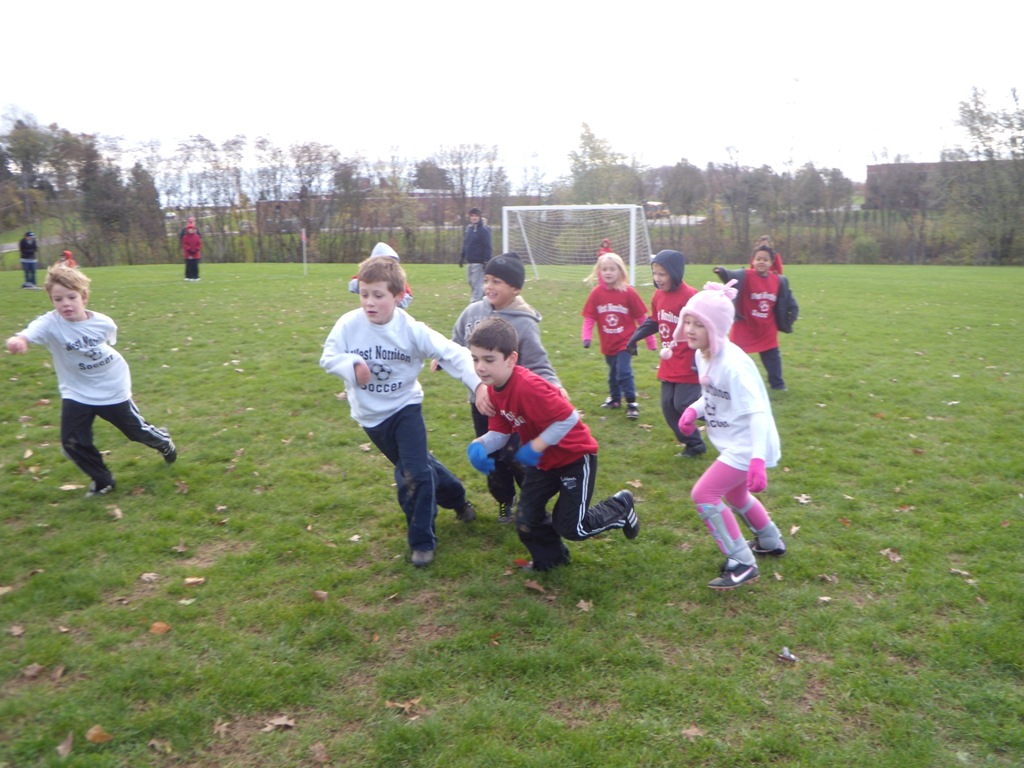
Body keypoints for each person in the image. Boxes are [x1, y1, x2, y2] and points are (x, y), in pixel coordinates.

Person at [320, 255, 486, 567]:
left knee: (414, 474)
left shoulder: (411, 330)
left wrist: (478, 385)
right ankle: (458, 498)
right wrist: (352, 365)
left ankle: (422, 540)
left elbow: (456, 354)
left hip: (405, 409)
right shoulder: (348, 324)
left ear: (398, 297)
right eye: (364, 294)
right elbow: (328, 357)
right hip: (370, 418)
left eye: (378, 295)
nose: (369, 302)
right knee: (421, 468)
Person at [466, 317, 639, 571]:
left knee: (572, 526)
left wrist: (537, 445)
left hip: (575, 459)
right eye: (475, 359)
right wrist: (479, 445)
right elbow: (500, 433)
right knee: (526, 516)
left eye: (488, 360)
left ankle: (620, 507)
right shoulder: (493, 390)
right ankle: (551, 560)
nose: (480, 367)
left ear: (511, 359)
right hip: (544, 464)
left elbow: (569, 417)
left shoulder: (529, 387)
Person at [5, 264, 177, 498]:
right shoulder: (50, 323)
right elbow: (32, 330)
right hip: (76, 391)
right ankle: (103, 480)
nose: (65, 303)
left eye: (71, 297)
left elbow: (108, 344)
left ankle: (163, 441)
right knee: (72, 442)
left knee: (136, 431)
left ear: (84, 297)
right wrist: (20, 339)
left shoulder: (103, 323)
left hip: (111, 385)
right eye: (58, 299)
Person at [671, 280, 785, 590]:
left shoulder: (735, 365)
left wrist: (758, 461)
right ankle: (770, 539)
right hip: (736, 441)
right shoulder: (704, 354)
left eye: (699, 324)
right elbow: (714, 395)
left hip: (750, 444)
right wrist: (694, 410)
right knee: (735, 495)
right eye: (688, 321)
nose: (691, 329)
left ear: (716, 328)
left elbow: (757, 412)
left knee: (703, 495)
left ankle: (742, 562)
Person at [450, 252, 564, 523]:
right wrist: (442, 360)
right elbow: (455, 344)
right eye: (487, 279)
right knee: (493, 459)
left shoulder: (523, 323)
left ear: (515, 288)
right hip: (482, 404)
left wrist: (555, 386)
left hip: (514, 409)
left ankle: (532, 503)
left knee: (518, 458)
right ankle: (504, 500)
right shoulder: (473, 312)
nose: (488, 286)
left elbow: (539, 362)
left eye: (497, 281)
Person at [625, 250, 708, 458]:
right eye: (655, 273)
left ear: (674, 272)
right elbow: (655, 320)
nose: (657, 279)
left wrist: (702, 358)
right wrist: (635, 337)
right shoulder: (658, 295)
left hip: (690, 362)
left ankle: (724, 415)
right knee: (668, 408)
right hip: (670, 361)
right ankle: (694, 445)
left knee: (683, 404)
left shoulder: (691, 297)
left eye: (662, 274)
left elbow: (707, 327)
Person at [713, 245, 799, 391]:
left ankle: (778, 384)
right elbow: (730, 276)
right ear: (753, 261)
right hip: (745, 325)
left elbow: (789, 299)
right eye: (758, 259)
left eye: (765, 259)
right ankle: (727, 383)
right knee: (734, 357)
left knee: (772, 357)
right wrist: (721, 271)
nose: (761, 262)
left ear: (772, 262)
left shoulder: (778, 280)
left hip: (766, 328)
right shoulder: (745, 275)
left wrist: (792, 312)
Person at [581, 251, 655, 419]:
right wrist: (587, 337)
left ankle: (631, 403)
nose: (608, 272)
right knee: (613, 372)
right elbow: (589, 318)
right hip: (608, 343)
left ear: (620, 271)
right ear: (599, 271)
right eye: (604, 269)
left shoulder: (629, 293)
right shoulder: (596, 294)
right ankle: (615, 400)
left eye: (612, 269)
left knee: (623, 371)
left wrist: (650, 341)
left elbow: (642, 319)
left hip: (628, 342)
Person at [348, 242, 413, 308]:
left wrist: (395, 300)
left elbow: (406, 296)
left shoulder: (396, 278)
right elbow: (353, 284)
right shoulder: (367, 274)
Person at [459, 207, 492, 302]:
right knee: (471, 282)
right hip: (470, 261)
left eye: (476, 215)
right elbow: (466, 243)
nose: (474, 217)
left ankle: (474, 305)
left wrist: (486, 260)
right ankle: (486, 299)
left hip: (479, 262)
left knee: (477, 284)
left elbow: (488, 246)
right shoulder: (469, 229)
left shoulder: (484, 230)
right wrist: (462, 256)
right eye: (472, 216)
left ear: (480, 217)